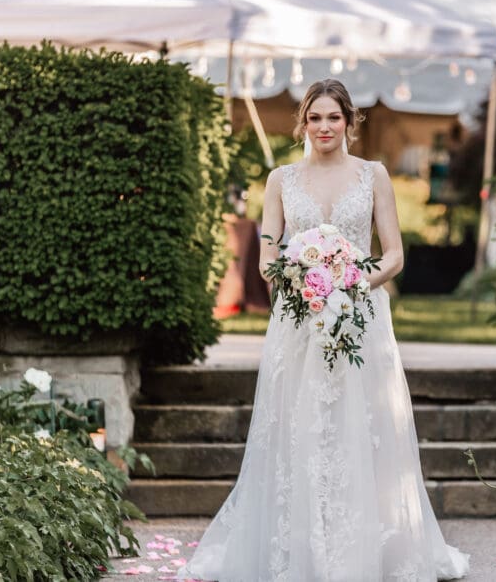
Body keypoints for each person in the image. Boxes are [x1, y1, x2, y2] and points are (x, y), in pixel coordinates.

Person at [177, 79, 470, 581]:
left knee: (363, 427)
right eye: (315, 118)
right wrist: (301, 278)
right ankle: (300, 547)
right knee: (301, 426)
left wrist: (353, 280)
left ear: (350, 121)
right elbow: (268, 257)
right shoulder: (281, 180)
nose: (324, 127)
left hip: (361, 319)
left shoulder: (374, 175)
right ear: (303, 124)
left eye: (334, 117)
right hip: (300, 320)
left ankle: (364, 550)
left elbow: (395, 255)